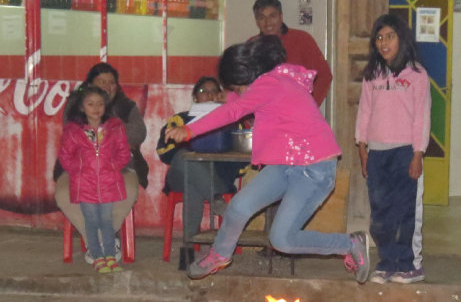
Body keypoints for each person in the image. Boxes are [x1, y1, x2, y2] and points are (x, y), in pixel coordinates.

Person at [165, 35, 370, 282]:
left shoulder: (269, 85)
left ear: (245, 79)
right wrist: (226, 97)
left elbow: (233, 110)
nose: (234, 93)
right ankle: (220, 254)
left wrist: (189, 130)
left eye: (235, 87)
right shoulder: (272, 81)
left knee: (282, 239)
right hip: (285, 164)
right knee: (239, 206)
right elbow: (236, 101)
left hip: (313, 170)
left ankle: (348, 244)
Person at [355, 14, 431, 284]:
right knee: (380, 211)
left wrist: (418, 153)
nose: (384, 42)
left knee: (404, 210)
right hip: (377, 153)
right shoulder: (372, 75)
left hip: (405, 152)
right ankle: (386, 263)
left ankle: (408, 264)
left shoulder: (417, 75)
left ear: (402, 39)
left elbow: (422, 116)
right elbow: (364, 112)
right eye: (379, 37)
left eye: (390, 36)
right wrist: (363, 149)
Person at [54, 62, 148, 262]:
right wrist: (76, 167)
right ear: (90, 84)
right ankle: (97, 241)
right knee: (63, 195)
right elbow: (69, 135)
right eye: (101, 82)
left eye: (111, 82)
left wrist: (111, 125)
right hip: (80, 169)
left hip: (118, 168)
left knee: (128, 192)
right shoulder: (75, 104)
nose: (107, 86)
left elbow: (139, 133)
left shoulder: (126, 106)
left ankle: (103, 240)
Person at [157, 76, 246, 269]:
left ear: (222, 96)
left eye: (214, 91)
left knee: (193, 184)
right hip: (178, 176)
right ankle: (216, 200)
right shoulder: (180, 119)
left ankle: (187, 252)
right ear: (195, 97)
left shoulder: (231, 121)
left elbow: (242, 164)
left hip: (218, 179)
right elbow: (163, 152)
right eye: (204, 91)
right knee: (183, 158)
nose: (210, 95)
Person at [58, 86, 131, 273]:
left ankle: (110, 256)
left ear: (106, 106)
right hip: (84, 184)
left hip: (109, 183)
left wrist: (113, 167)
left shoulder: (115, 127)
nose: (96, 108)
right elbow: (65, 157)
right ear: (82, 107)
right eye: (91, 104)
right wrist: (79, 170)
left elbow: (124, 153)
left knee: (106, 221)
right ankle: (97, 257)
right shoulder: (73, 131)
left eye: (100, 104)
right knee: (91, 221)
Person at [251, 0, 332, 107]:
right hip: (264, 115)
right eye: (261, 18)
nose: (267, 22)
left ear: (281, 16)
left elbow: (324, 75)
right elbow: (243, 84)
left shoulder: (302, 39)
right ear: (257, 21)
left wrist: (309, 105)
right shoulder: (251, 46)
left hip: (298, 112)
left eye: (272, 16)